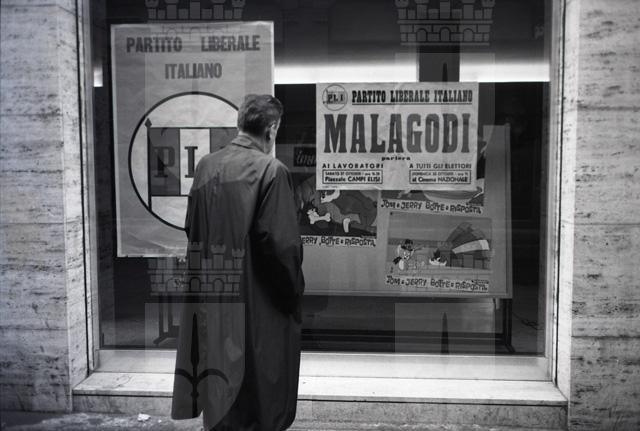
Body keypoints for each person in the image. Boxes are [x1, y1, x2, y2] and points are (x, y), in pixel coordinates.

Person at [171, 94, 305, 431]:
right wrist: (293, 293)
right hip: (257, 304)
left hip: (213, 298)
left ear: (240, 123)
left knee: (219, 383)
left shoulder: (206, 166)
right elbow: (281, 247)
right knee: (258, 392)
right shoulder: (271, 171)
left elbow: (191, 228)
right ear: (272, 129)